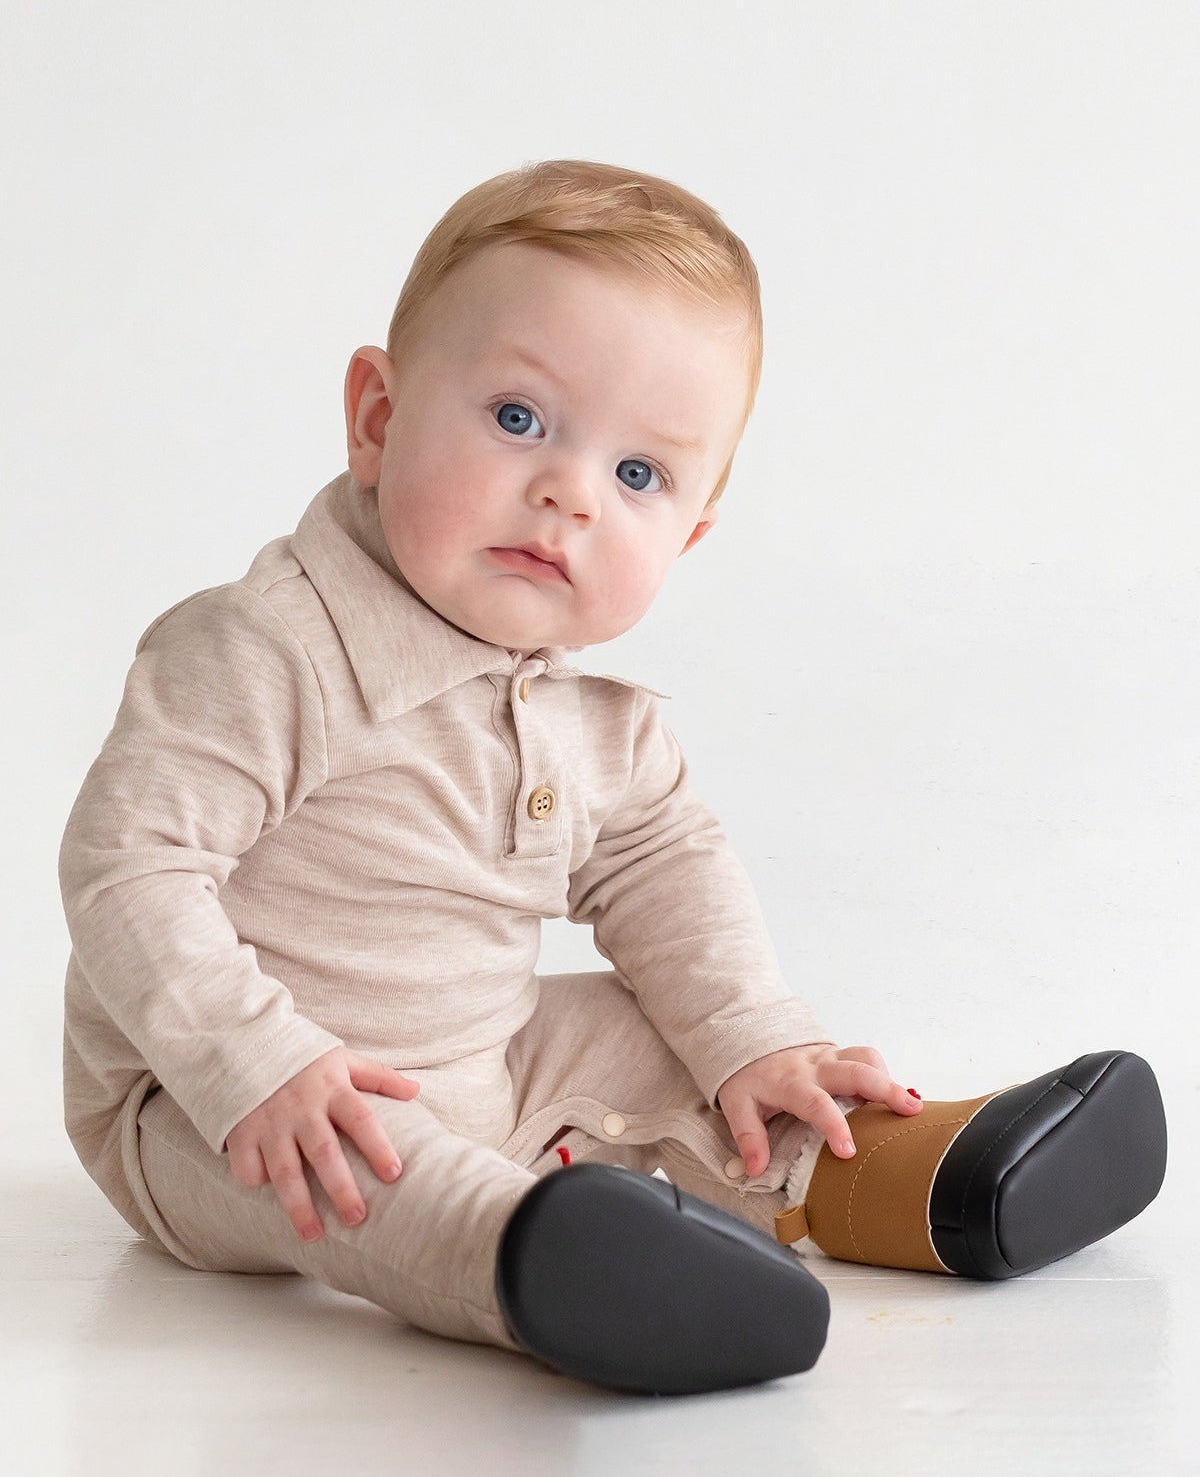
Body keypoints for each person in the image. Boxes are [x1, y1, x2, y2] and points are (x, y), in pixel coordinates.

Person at [59, 159, 1167, 1396]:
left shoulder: (586, 710)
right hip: (206, 1100)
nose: (570, 493)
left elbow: (660, 867)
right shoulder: (265, 647)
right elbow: (129, 864)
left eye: (639, 475)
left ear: (688, 535)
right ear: (376, 415)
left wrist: (758, 1038)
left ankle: (923, 1181)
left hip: (484, 1054)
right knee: (367, 1168)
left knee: (682, 1040)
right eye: (517, 417)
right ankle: (541, 1262)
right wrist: (253, 1060)